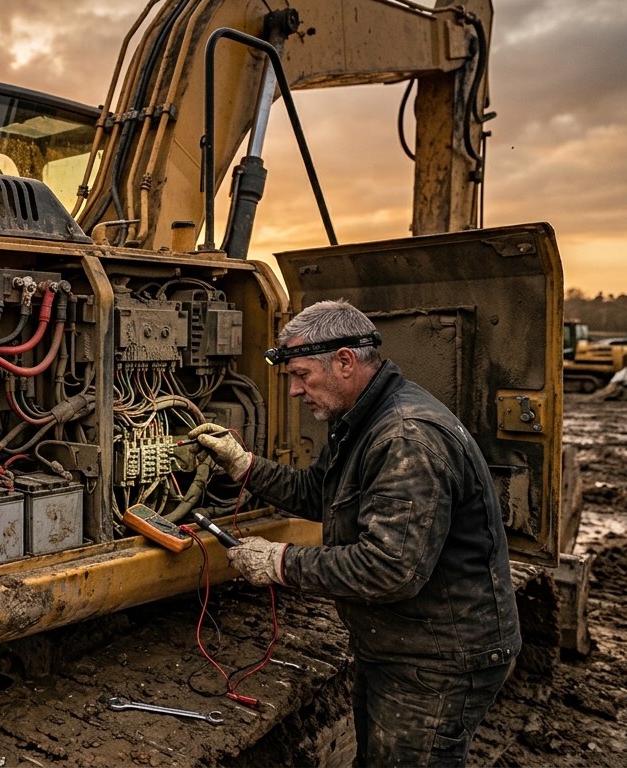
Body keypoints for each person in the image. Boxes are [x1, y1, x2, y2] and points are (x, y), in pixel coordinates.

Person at [189, 299, 519, 768]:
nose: (295, 392)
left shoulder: (406, 438)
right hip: (402, 643)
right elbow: (321, 492)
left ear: (345, 360)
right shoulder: (362, 420)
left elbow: (390, 569)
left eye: (303, 376)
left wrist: (278, 562)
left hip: (438, 659)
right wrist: (245, 467)